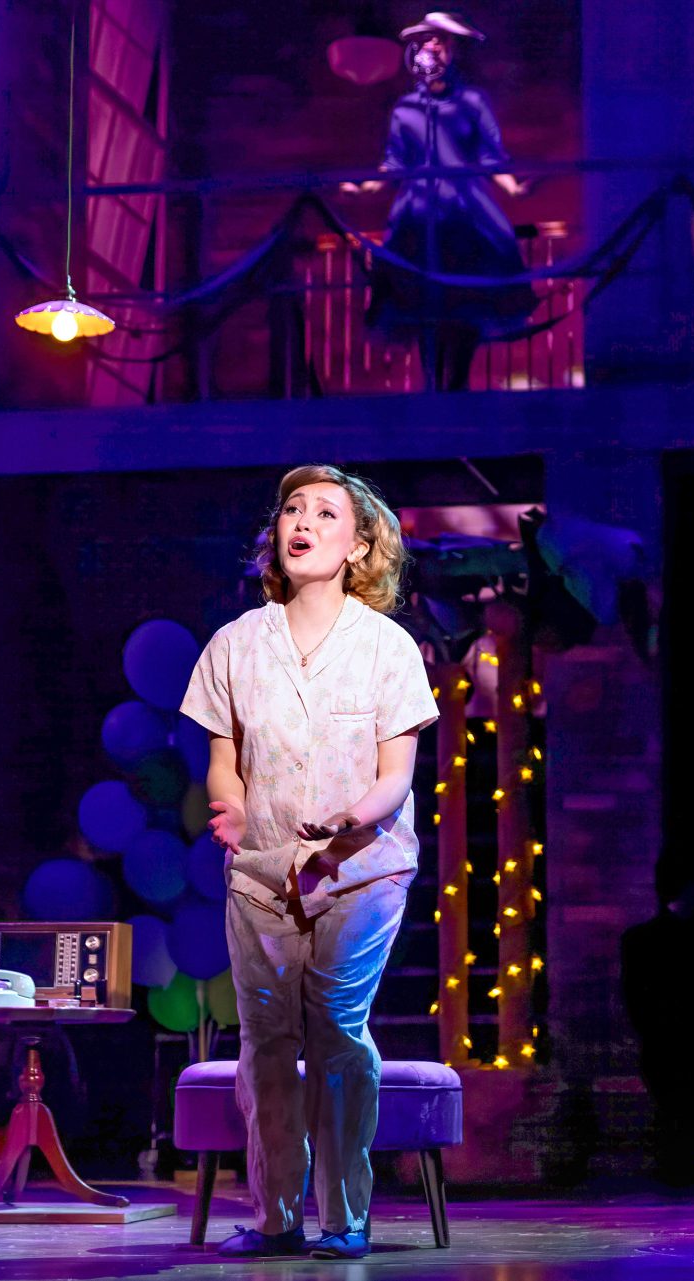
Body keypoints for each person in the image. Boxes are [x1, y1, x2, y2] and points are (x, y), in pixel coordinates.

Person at [179, 464, 439, 1259]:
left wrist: (349, 819)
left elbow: (396, 775)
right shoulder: (235, 645)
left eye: (326, 512)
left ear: (358, 546)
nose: (303, 521)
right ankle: (275, 1218)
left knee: (334, 1028)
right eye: (293, 509)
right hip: (261, 873)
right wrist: (230, 806)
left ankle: (346, 1215)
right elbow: (223, 761)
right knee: (264, 1039)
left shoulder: (388, 648)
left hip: (360, 869)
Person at [348, 11, 538, 391]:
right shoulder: (405, 109)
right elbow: (395, 163)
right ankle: (432, 387)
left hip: (465, 213)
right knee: (419, 301)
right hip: (417, 214)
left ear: (456, 50)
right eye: (427, 39)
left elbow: (491, 158)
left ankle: (457, 386)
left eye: (442, 40)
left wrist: (514, 189)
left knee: (466, 301)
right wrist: (366, 188)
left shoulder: (473, 102)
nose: (432, 46)